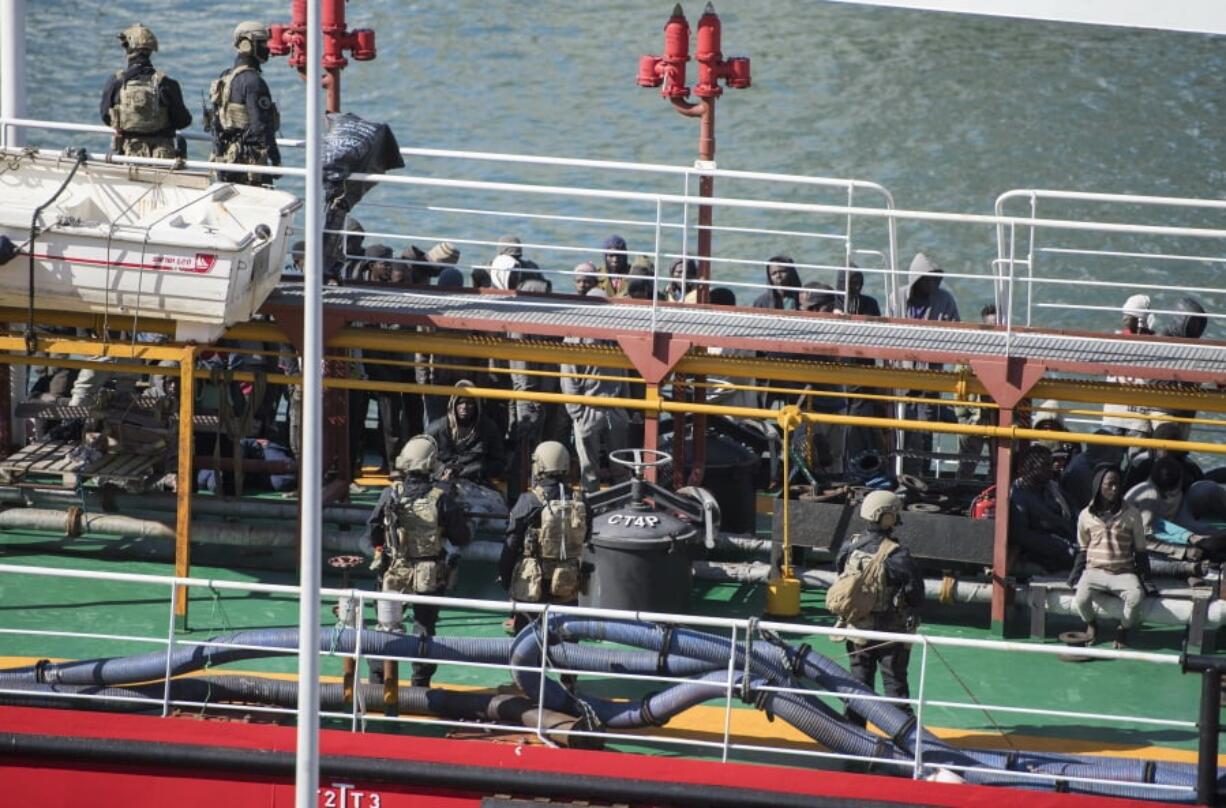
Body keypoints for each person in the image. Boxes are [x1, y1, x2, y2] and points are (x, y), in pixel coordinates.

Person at [366, 435, 472, 687]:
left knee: (385, 628)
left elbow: (372, 531)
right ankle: (420, 686)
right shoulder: (441, 498)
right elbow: (461, 536)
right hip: (430, 574)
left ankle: (377, 683)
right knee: (424, 631)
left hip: (394, 570)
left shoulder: (390, 495)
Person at [833, 491, 924, 726]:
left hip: (857, 630)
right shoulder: (898, 555)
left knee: (858, 690)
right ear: (887, 517)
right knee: (896, 692)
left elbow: (841, 576)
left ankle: (854, 745)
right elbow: (916, 594)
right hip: (890, 635)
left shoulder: (849, 547)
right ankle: (907, 743)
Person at [499, 441, 592, 641]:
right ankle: (568, 672)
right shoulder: (580, 501)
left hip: (532, 582)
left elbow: (511, 545)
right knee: (568, 635)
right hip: (567, 579)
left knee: (527, 639)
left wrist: (507, 582)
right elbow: (587, 535)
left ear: (539, 465)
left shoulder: (529, 501)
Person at [1069, 466, 1148, 648]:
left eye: (1117, 485)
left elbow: (1141, 551)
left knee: (1136, 597)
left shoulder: (1132, 514)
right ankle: (1091, 624)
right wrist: (1075, 573)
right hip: (1094, 571)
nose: (1115, 489)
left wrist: (1146, 580)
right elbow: (1083, 548)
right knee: (1081, 599)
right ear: (1098, 487)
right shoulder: (1085, 515)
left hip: (1123, 572)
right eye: (1110, 484)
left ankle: (1123, 628)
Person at [100, 24, 192, 160]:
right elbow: (183, 120)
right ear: (150, 51)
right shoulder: (166, 83)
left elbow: (106, 116)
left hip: (127, 156)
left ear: (128, 50)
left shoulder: (116, 82)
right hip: (162, 159)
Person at [206, 21, 281, 186]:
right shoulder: (253, 82)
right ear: (247, 44)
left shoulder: (225, 78)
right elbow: (261, 126)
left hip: (225, 158)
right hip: (249, 163)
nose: (267, 48)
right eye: (262, 43)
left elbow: (216, 122)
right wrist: (276, 159)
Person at [1008, 444, 1077, 572]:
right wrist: (1061, 546)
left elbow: (1073, 513)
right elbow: (1021, 535)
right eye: (1044, 466)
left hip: (1070, 541)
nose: (1050, 469)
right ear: (1031, 468)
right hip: (1044, 553)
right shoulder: (1019, 493)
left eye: (1050, 464)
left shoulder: (1053, 487)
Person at [425, 380, 506, 486]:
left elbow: (499, 462)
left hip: (477, 484)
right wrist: (442, 470)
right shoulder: (436, 429)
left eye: (469, 403)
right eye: (460, 402)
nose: (464, 406)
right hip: (441, 482)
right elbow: (421, 458)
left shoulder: (488, 428)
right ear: (453, 404)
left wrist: (474, 470)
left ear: (476, 405)